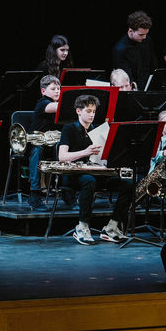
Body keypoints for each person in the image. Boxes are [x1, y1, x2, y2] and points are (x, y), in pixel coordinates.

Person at [57, 94, 132, 244]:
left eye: (94, 111)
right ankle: (82, 227)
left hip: (95, 172)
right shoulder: (69, 129)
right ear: (78, 111)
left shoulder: (97, 130)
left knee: (128, 185)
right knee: (89, 181)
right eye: (88, 111)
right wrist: (86, 152)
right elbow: (62, 156)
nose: (92, 114)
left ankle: (111, 227)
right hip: (72, 175)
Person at [28, 75, 61, 209]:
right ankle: (34, 193)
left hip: (53, 144)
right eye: (53, 89)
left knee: (65, 147)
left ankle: (66, 190)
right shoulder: (43, 103)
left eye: (59, 88)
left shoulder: (57, 103)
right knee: (37, 150)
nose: (57, 91)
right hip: (35, 143)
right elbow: (58, 107)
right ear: (43, 91)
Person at [111, 10, 156, 86]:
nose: (144, 37)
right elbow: (126, 78)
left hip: (148, 85)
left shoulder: (148, 40)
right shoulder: (120, 49)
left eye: (146, 34)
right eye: (141, 35)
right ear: (130, 31)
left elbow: (152, 65)